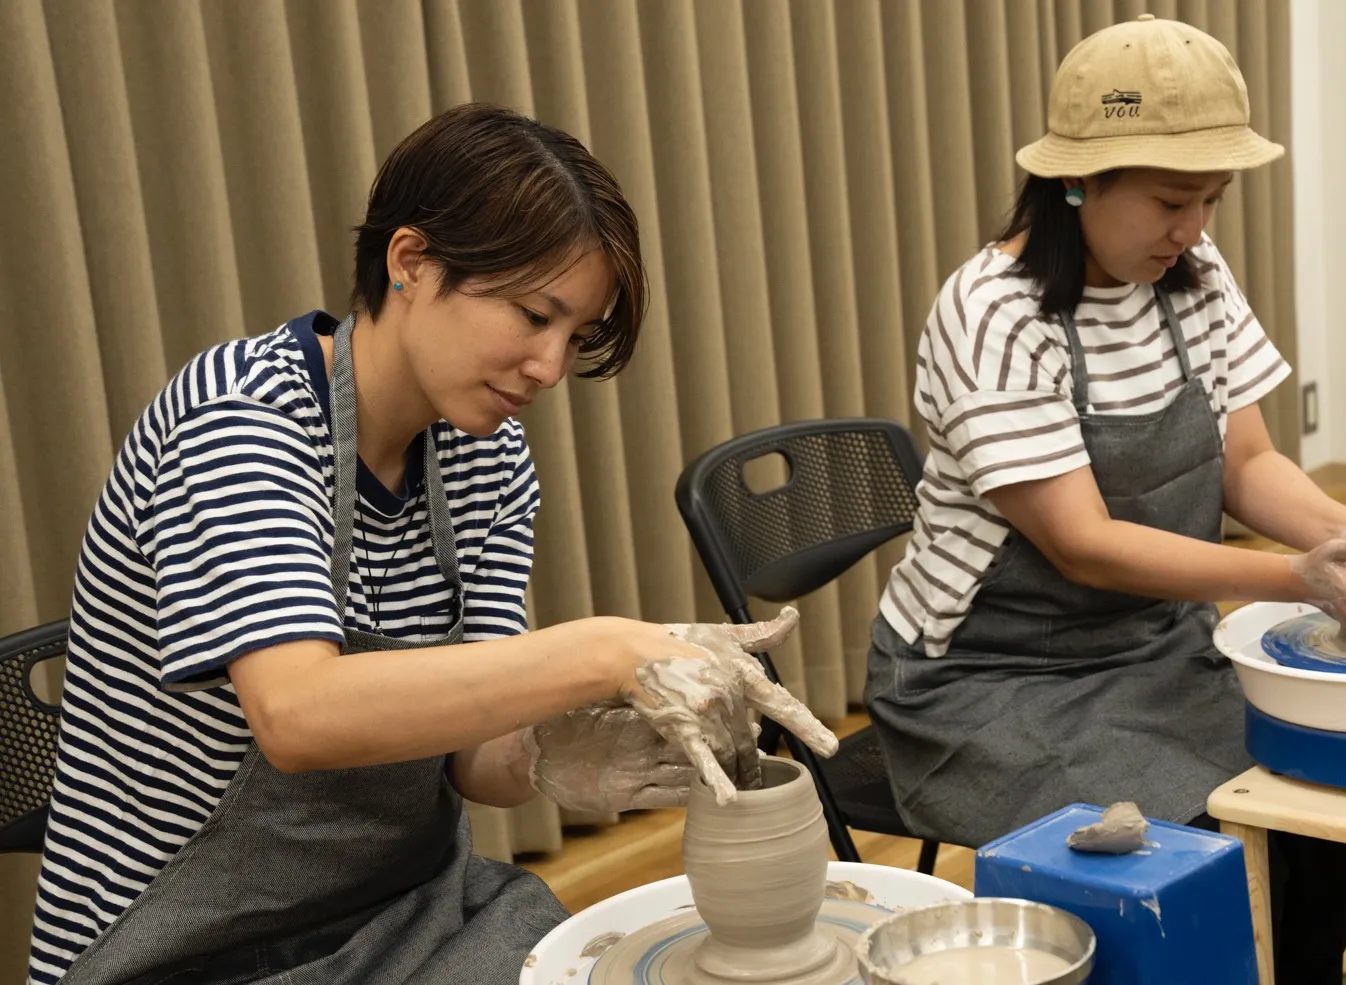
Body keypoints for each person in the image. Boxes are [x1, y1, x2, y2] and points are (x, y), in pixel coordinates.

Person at [29, 103, 835, 985]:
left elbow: (477, 763)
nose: (550, 367)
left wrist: (549, 750)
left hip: (405, 910)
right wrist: (602, 650)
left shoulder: (485, 454)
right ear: (410, 260)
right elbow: (298, 715)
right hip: (194, 953)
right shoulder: (241, 419)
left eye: (575, 336)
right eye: (533, 315)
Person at [863, 17, 1346, 984]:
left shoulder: (1192, 277)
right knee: (1178, 868)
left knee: (1317, 830)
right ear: (1076, 180)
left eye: (1211, 200)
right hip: (991, 679)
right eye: (1170, 201)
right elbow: (1083, 545)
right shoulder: (994, 311)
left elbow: (1247, 461)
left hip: (1152, 645)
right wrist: (1297, 579)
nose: (1193, 229)